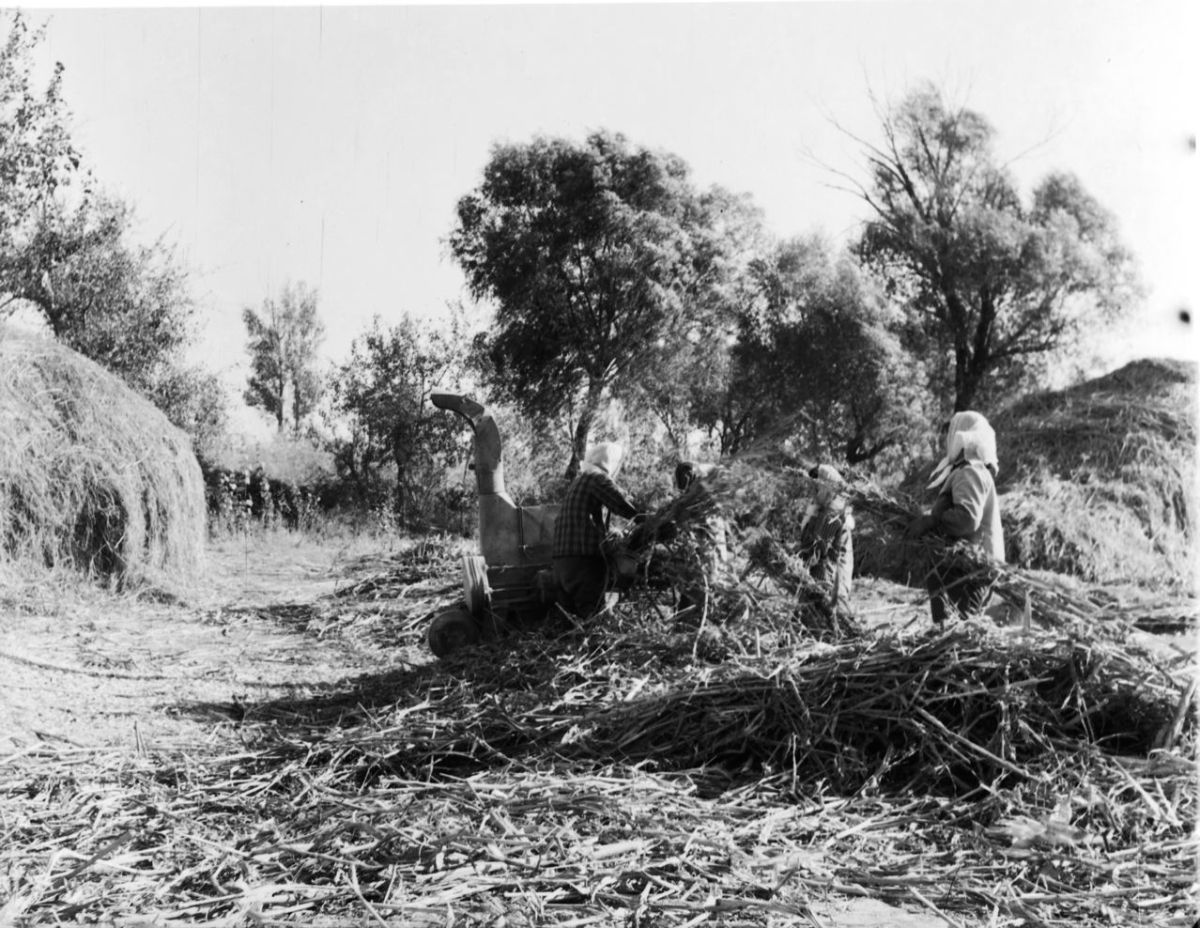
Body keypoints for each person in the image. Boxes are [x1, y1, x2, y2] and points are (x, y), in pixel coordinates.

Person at [906, 411, 1005, 626]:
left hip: (965, 572)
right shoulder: (971, 470)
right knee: (958, 635)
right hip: (965, 571)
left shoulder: (970, 471)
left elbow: (967, 518)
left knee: (957, 637)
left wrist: (932, 521)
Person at [551, 442, 639, 620]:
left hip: (561, 563)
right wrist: (647, 517)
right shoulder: (597, 478)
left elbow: (588, 517)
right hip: (583, 562)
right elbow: (622, 506)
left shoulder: (580, 481)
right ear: (611, 463)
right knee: (592, 618)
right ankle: (595, 647)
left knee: (570, 622)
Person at [671, 461, 729, 620]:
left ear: (690, 476)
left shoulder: (701, 495)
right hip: (703, 560)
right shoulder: (700, 493)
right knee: (693, 597)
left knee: (699, 598)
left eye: (682, 480)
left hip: (706, 560)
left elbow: (687, 519)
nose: (681, 485)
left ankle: (692, 633)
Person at [798, 464, 855, 618]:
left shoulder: (831, 516)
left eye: (816, 488)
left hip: (826, 587)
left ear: (826, 489)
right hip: (825, 585)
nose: (813, 492)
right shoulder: (829, 512)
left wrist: (792, 562)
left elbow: (815, 552)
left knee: (824, 628)